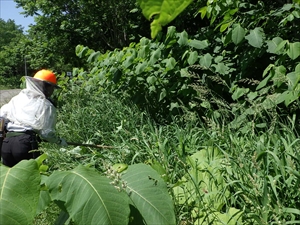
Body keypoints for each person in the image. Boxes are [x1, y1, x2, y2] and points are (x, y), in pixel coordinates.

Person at [0, 69, 68, 167]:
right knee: (29, 180)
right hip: (25, 145)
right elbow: (46, 133)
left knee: (9, 180)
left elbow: (1, 116)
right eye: (52, 87)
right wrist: (59, 141)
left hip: (7, 145)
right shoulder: (46, 105)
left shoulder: (17, 98)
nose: (52, 91)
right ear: (46, 86)